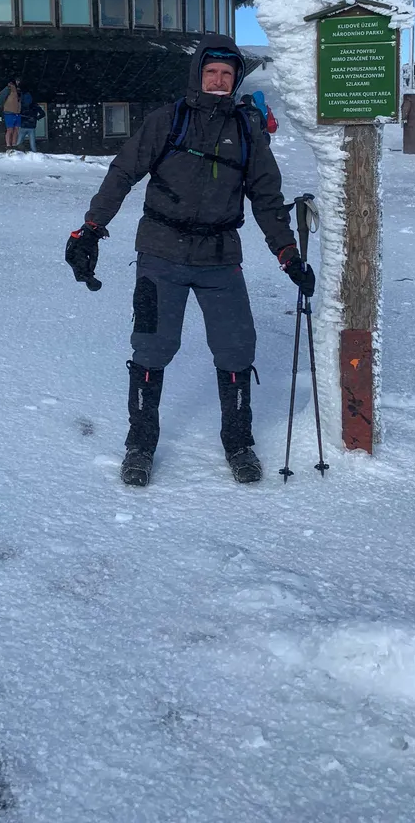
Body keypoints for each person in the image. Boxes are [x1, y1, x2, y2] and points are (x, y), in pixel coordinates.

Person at [65, 35, 314, 488]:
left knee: (238, 348)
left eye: (227, 74)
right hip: (161, 253)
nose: (218, 81)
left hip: (221, 258)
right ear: (199, 74)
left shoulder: (247, 130)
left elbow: (266, 196)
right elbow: (123, 172)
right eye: (211, 72)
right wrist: (91, 229)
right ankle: (140, 445)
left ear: (235, 79)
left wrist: (287, 252)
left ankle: (238, 443)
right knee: (152, 348)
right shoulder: (168, 120)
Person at [0, 77, 21, 149]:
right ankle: (8, 145)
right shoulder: (9, 88)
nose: (18, 82)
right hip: (9, 111)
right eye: (17, 81)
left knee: (16, 129)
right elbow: (1, 97)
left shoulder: (19, 89)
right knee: (10, 129)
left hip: (17, 112)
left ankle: (14, 144)